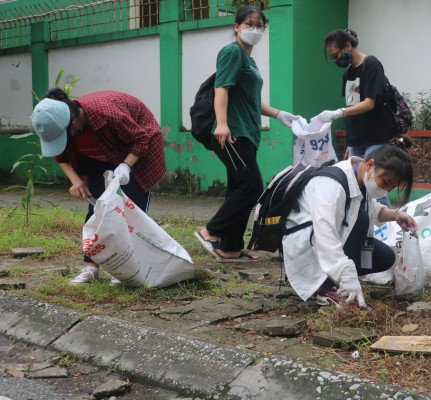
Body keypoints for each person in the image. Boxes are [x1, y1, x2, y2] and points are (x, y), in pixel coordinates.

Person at [31, 88, 166, 285]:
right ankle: (91, 268)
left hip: (136, 151)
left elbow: (141, 138)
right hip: (98, 158)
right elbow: (60, 156)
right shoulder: (59, 124)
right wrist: (76, 181)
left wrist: (126, 165)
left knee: (132, 212)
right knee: (97, 210)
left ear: (74, 123)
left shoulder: (107, 113)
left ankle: (125, 267)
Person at [195, 6, 298, 262]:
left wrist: (277, 114)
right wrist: (221, 123)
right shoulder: (232, 52)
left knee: (238, 188)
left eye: (259, 25)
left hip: (247, 133)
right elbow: (222, 88)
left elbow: (251, 100)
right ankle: (210, 231)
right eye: (249, 24)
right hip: (232, 133)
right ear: (236, 27)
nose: (254, 29)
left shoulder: (248, 59)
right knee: (252, 187)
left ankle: (229, 247)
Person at [282, 138, 417, 308]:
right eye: (386, 182)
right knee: (360, 220)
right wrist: (346, 277)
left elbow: (370, 208)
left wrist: (396, 215)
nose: (386, 190)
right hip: (309, 246)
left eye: (392, 187)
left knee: (385, 257)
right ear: (370, 165)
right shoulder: (331, 185)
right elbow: (325, 237)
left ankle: (337, 277)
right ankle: (326, 286)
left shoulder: (359, 179)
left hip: (327, 240)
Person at [317, 28, 398, 206]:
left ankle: (388, 228)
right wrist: (349, 141)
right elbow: (352, 106)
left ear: (347, 46)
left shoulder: (371, 64)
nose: (336, 60)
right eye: (333, 58)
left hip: (376, 134)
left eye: (336, 55)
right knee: (356, 183)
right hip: (357, 138)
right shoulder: (348, 73)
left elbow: (369, 103)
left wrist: (339, 112)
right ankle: (365, 225)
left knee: (374, 182)